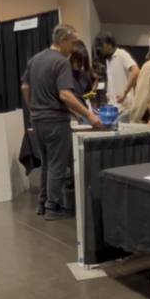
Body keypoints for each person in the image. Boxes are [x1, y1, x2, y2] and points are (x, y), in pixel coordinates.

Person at [21, 24, 104, 220]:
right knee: (57, 165)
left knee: (46, 163)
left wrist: (33, 109)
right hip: (55, 121)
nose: (74, 48)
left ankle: (42, 203)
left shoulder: (35, 60)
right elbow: (65, 94)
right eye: (72, 43)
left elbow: (25, 87)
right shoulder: (61, 62)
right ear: (62, 40)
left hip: (38, 121)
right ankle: (53, 207)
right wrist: (90, 116)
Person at [95, 30, 139, 122]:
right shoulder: (108, 60)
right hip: (113, 107)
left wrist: (125, 92)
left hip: (125, 107)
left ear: (109, 43)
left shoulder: (121, 54)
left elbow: (135, 70)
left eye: (102, 45)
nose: (100, 48)